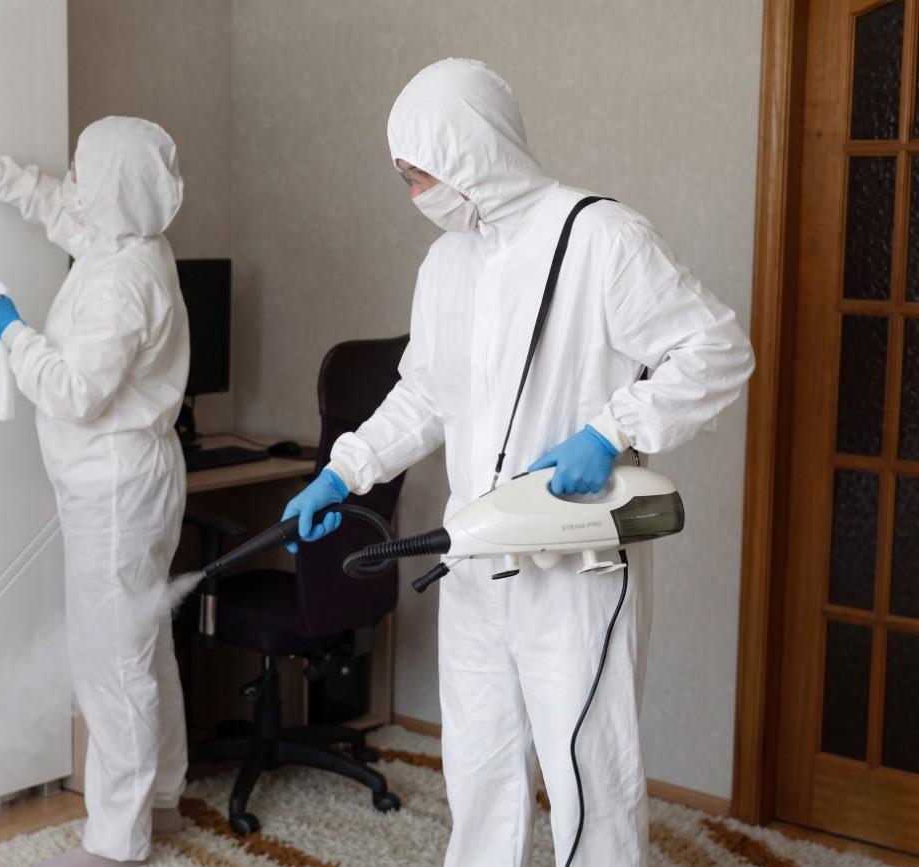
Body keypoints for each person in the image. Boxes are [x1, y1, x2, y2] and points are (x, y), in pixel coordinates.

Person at [281, 59, 754, 866]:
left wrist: (609, 430)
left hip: (575, 569)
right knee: (479, 768)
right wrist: (345, 468)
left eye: (419, 173)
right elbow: (424, 394)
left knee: (588, 775)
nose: (414, 195)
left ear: (467, 149)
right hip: (475, 560)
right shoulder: (447, 265)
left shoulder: (600, 237)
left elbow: (716, 350)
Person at [0, 116, 190, 867]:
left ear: (116, 187)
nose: (74, 181)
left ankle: (116, 844)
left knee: (111, 661)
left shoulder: (125, 280)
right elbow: (49, 200)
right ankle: (162, 801)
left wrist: (9, 332)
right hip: (133, 477)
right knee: (145, 638)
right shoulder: (125, 239)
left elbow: (74, 391)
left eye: (85, 171)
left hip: (116, 487)